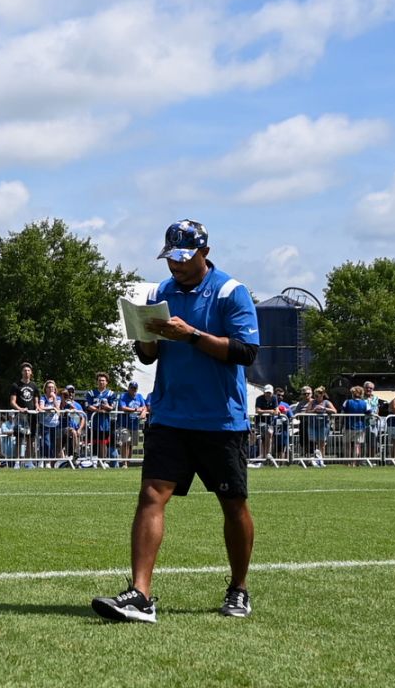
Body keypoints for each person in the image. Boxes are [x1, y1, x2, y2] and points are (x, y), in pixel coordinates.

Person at [92, 218, 260, 623]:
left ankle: (239, 588)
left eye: (183, 258)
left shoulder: (230, 292)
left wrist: (193, 336)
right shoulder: (160, 293)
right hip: (169, 416)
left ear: (205, 251)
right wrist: (144, 337)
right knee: (151, 495)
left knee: (233, 505)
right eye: (171, 258)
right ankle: (140, 595)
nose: (176, 266)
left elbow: (246, 353)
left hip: (220, 420)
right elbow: (149, 357)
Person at [9, 362, 39, 466]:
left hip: (32, 415)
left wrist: (38, 407)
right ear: (22, 372)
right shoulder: (16, 385)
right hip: (20, 416)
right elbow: (12, 401)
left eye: (28, 370)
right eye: (25, 370)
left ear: (31, 372)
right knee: (19, 439)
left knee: (30, 439)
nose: (26, 372)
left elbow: (36, 401)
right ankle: (17, 462)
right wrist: (20, 409)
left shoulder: (34, 385)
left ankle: (29, 462)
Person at [84, 372, 118, 463]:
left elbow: (112, 407)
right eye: (99, 380)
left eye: (103, 381)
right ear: (97, 382)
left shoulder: (111, 393)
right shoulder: (91, 393)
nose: (101, 382)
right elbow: (87, 405)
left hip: (104, 423)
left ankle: (103, 461)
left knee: (103, 443)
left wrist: (104, 406)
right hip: (93, 422)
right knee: (93, 442)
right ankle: (94, 461)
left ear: (107, 382)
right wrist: (98, 410)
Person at [116, 381, 148, 467]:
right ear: (128, 388)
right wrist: (136, 410)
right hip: (124, 424)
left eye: (135, 388)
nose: (133, 390)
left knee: (131, 445)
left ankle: (128, 463)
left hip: (134, 424)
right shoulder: (124, 396)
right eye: (131, 388)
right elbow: (123, 407)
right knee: (126, 442)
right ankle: (124, 463)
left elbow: (144, 406)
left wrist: (143, 411)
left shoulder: (139, 396)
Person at [305, 387, 337, 467]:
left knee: (322, 443)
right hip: (312, 425)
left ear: (322, 395)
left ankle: (321, 460)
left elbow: (334, 411)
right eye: (315, 395)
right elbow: (307, 411)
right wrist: (314, 410)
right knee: (312, 442)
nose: (316, 397)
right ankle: (313, 460)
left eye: (318, 395)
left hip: (323, 425)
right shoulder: (312, 402)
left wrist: (324, 409)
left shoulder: (326, 402)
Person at [341, 385, 368, 466]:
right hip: (360, 427)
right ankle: (354, 462)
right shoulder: (364, 403)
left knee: (347, 444)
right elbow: (369, 412)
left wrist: (340, 424)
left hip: (349, 426)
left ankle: (348, 462)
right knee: (357, 445)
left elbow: (342, 413)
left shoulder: (347, 402)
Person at [37, 380, 63, 463]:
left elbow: (58, 408)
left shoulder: (58, 398)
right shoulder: (43, 397)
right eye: (49, 387)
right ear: (46, 389)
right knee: (46, 442)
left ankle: (49, 461)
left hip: (55, 424)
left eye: (52, 387)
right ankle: (44, 459)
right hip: (45, 424)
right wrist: (52, 408)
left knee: (52, 444)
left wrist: (54, 398)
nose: (51, 389)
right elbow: (41, 407)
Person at [61, 385, 87, 459]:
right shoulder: (61, 402)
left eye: (72, 392)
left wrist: (80, 429)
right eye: (69, 392)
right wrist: (65, 400)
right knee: (59, 448)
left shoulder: (78, 405)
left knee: (75, 433)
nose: (71, 394)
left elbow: (83, 417)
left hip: (74, 429)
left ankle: (74, 454)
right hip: (62, 428)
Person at [254, 384, 278, 460]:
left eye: (270, 393)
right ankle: (263, 454)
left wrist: (275, 411)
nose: (268, 394)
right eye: (267, 392)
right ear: (264, 392)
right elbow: (257, 410)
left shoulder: (274, 398)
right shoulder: (259, 398)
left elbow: (276, 410)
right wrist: (270, 411)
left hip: (270, 422)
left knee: (269, 434)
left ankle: (268, 453)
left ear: (272, 392)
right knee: (263, 437)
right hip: (260, 421)